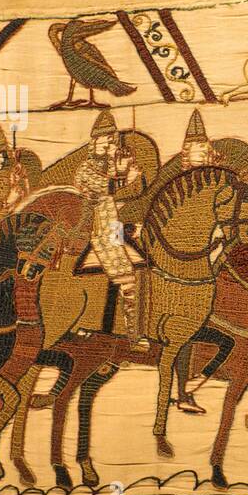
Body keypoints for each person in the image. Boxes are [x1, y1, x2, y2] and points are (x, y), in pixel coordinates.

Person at [75, 110, 146, 345]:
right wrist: (127, 178)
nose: (107, 146)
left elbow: (130, 194)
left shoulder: (113, 168)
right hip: (94, 224)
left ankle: (136, 328)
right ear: (93, 143)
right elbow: (103, 190)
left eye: (111, 142)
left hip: (115, 223)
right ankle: (131, 334)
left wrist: (128, 171)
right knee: (127, 277)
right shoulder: (86, 169)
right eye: (103, 142)